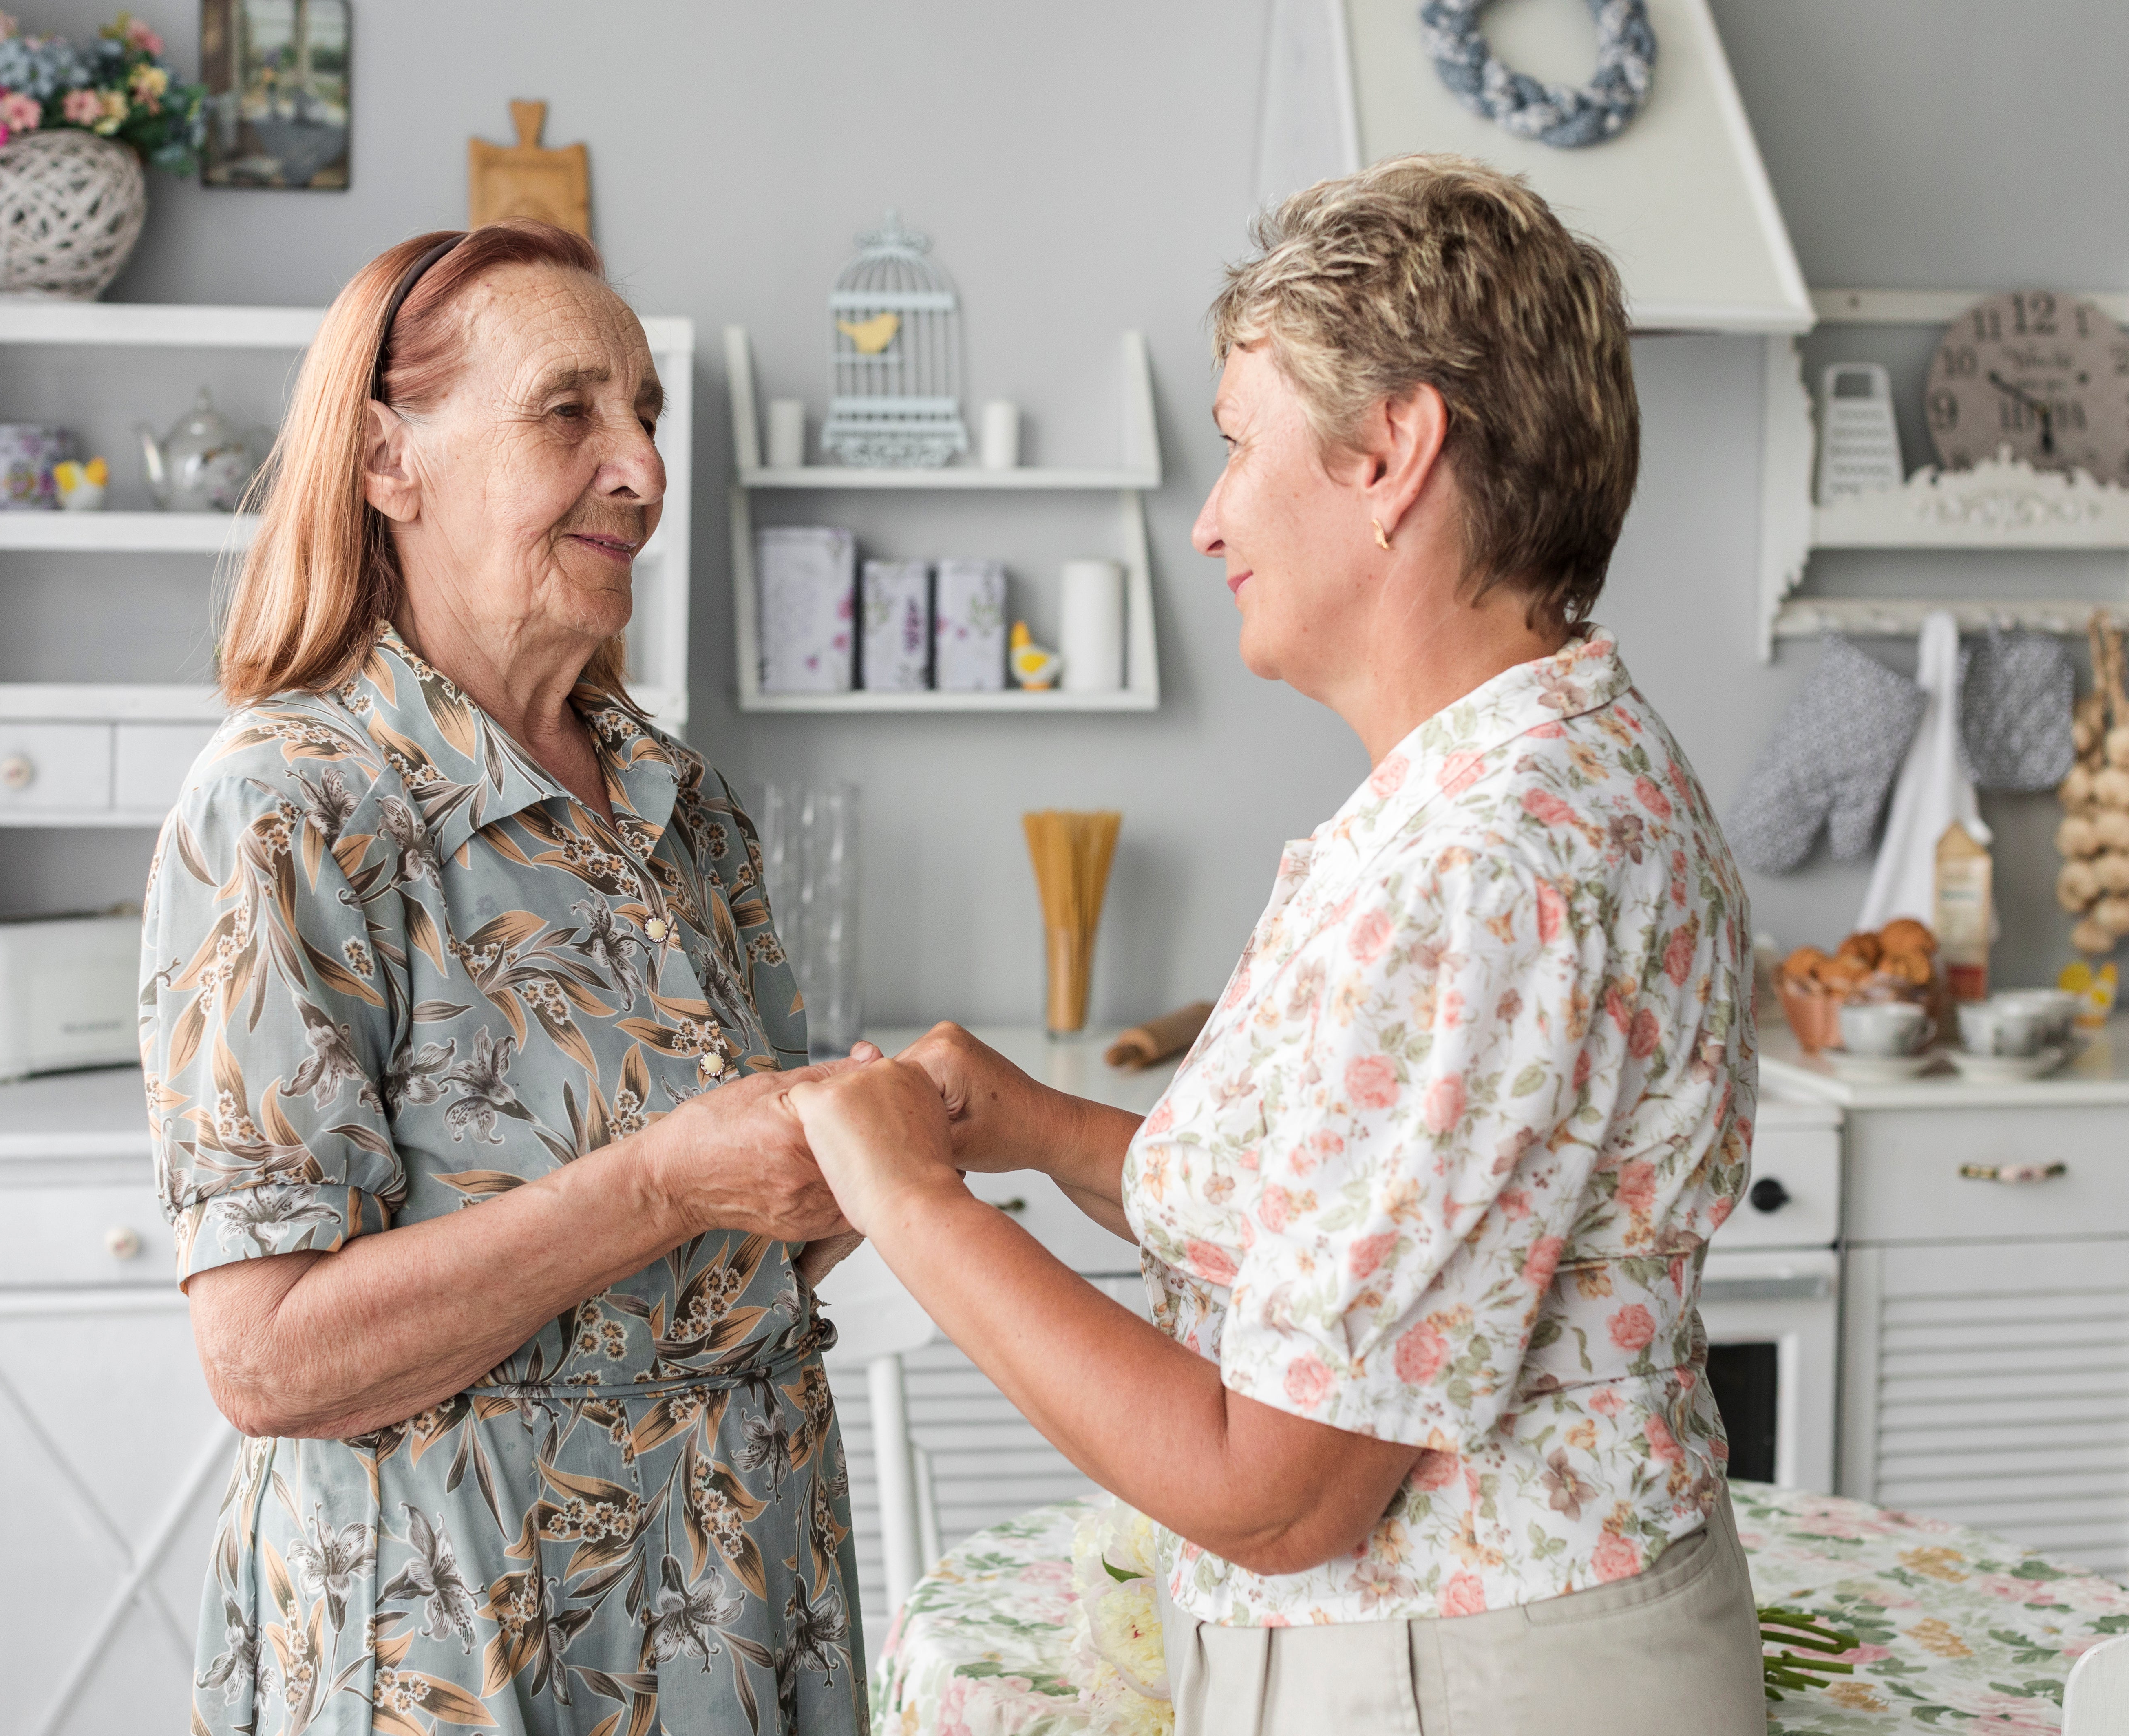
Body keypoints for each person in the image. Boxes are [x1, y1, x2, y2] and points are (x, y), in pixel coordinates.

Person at [788, 157, 1766, 1736]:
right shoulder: (1525, 781)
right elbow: (1338, 1231)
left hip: (1477, 1682)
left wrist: (905, 1202)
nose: (1207, 518)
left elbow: (1277, 1492)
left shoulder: (1482, 869)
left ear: (1389, 453)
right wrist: (1033, 1133)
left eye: (1238, 449)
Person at [142, 221, 868, 1736]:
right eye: (570, 412)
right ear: (388, 461)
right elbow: (270, 1357)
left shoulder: (684, 800)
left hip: (745, 1599)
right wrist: (664, 1182)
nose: (645, 472)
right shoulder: (292, 806)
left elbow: (749, 1244)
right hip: (460, 1636)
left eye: (649, 415)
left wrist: (858, 1154)